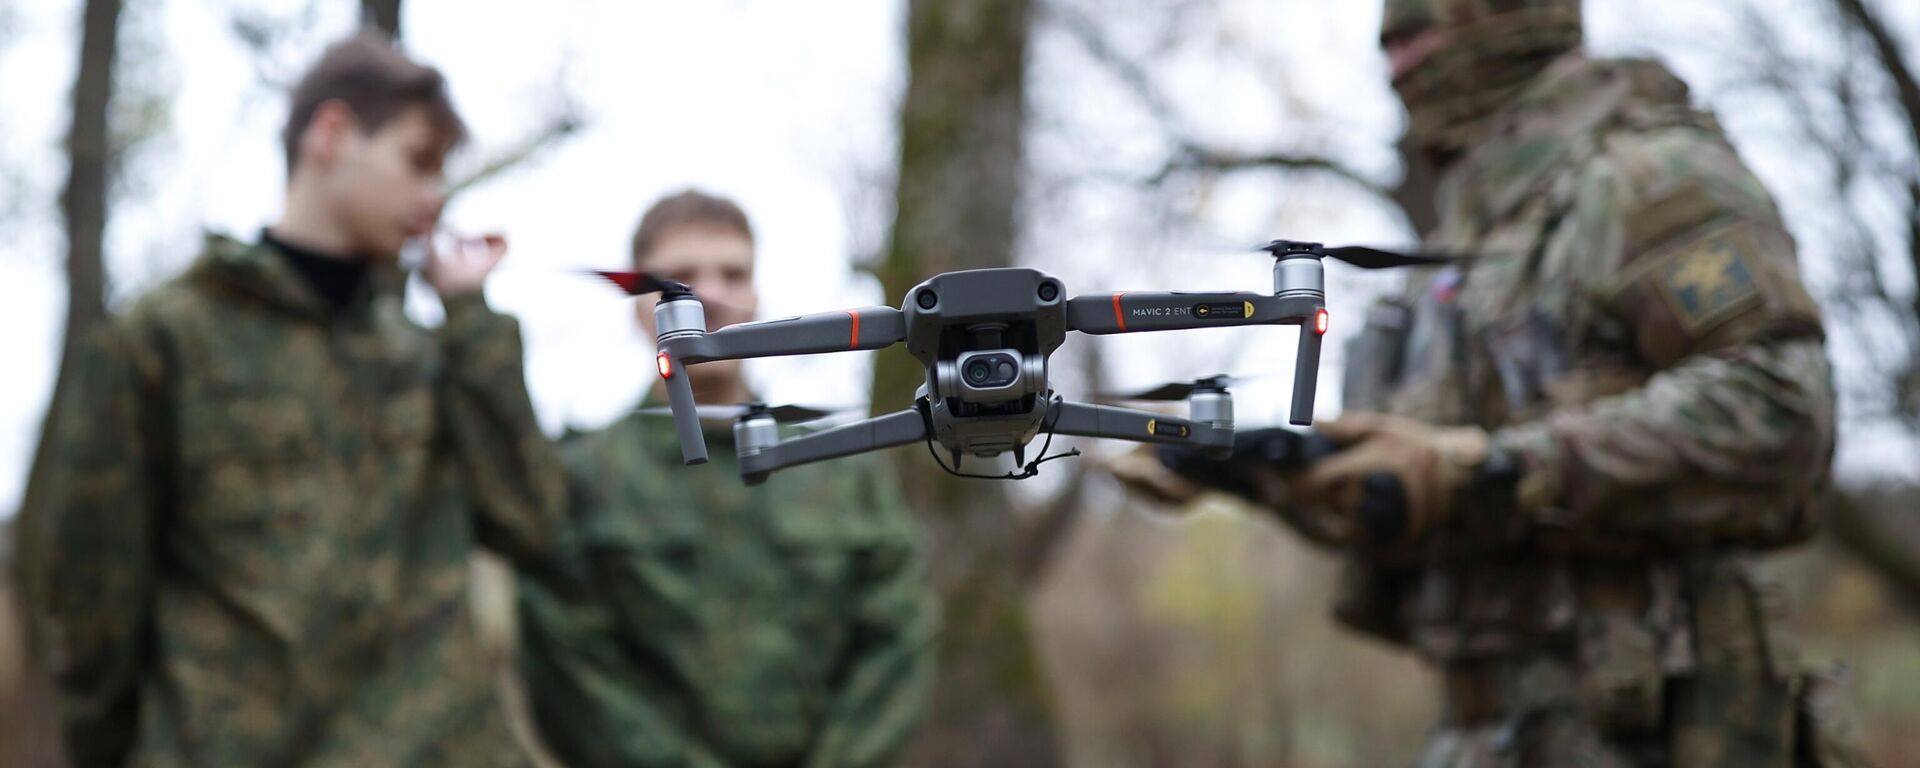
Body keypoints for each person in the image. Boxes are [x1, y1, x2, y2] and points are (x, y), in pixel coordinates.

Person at [1120, 1, 1864, 765]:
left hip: (1671, 731)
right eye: (1391, 42)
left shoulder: (1647, 179)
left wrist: (1498, 469)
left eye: (1421, 34)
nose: (1397, 61)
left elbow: (1783, 409)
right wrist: (1259, 471)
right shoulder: (1458, 257)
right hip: (1494, 737)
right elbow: (1415, 497)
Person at [24, 32, 562, 767]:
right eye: (417, 163)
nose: (433, 200)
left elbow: (530, 522)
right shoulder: (167, 339)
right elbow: (93, 602)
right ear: (331, 133)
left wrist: (472, 322)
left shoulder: (430, 355)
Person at [514, 190, 937, 768]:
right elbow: (572, 665)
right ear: (638, 306)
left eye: (734, 274)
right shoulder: (582, 477)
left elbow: (897, 641)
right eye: (679, 277)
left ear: (758, 297)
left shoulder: (840, 462)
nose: (710, 295)